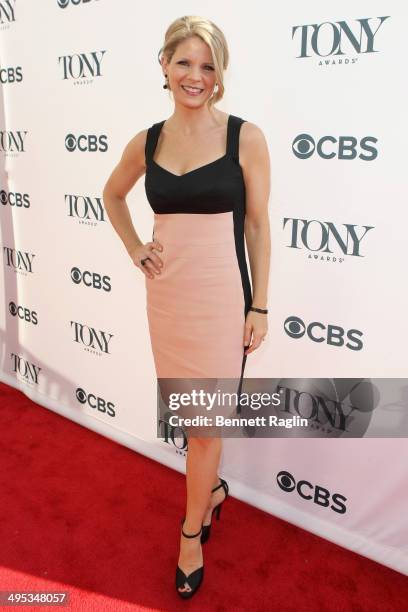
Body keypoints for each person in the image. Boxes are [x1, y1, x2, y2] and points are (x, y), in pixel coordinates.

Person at [102, 15, 271, 599]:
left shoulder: (244, 137)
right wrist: (133, 247)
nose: (195, 76)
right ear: (165, 66)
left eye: (208, 66)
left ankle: (191, 532)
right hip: (168, 299)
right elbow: (112, 194)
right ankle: (215, 491)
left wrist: (261, 307)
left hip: (223, 301)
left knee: (205, 428)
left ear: (220, 75)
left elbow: (256, 225)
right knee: (194, 421)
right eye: (184, 63)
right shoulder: (147, 141)